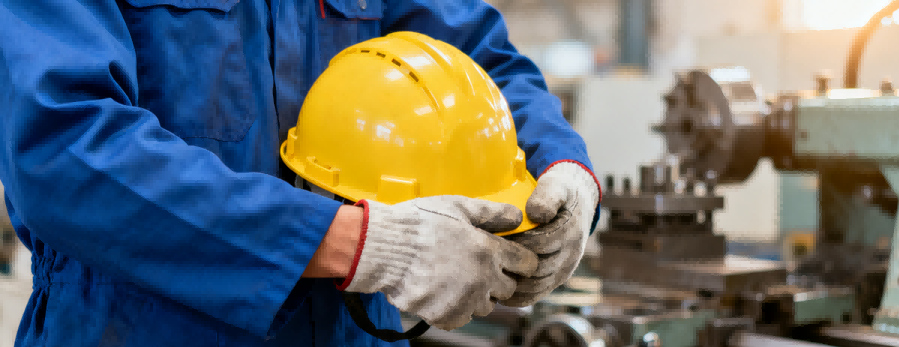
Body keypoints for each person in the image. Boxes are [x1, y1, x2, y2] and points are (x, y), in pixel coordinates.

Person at [0, 1, 602, 346]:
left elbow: (477, 55)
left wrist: (562, 168)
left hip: (348, 327)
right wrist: (356, 243)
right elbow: (62, 147)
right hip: (138, 328)